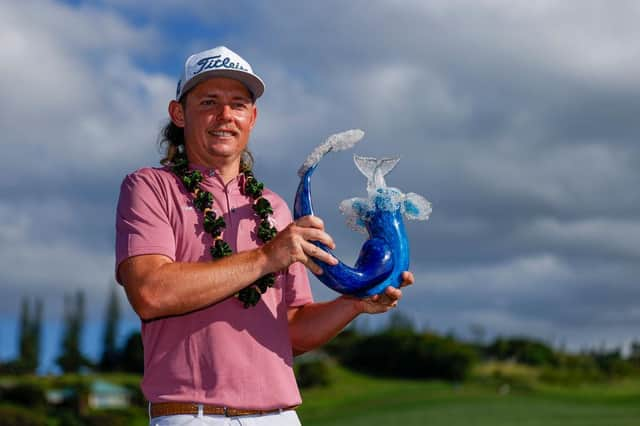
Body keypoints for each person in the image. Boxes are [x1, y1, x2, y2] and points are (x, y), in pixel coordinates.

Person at [115, 45, 414, 426]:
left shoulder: (273, 207)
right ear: (179, 114)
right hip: (193, 416)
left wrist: (355, 304)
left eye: (238, 104)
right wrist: (266, 256)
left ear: (252, 117)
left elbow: (291, 332)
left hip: (279, 416)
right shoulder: (149, 187)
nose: (225, 115)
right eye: (209, 101)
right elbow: (151, 293)